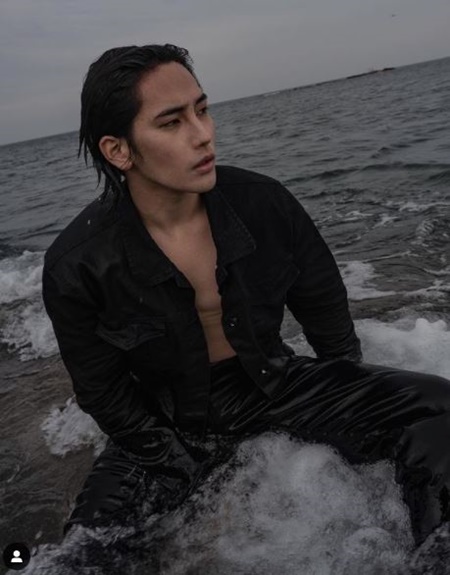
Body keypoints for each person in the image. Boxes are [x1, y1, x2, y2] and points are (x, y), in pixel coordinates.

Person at [43, 43, 450, 548]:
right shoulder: (75, 263)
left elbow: (322, 302)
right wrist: (175, 462)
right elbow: (102, 390)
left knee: (438, 410)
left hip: (271, 382)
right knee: (84, 549)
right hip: (163, 422)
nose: (203, 134)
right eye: (172, 122)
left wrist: (349, 397)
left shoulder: (264, 202)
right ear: (118, 150)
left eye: (202, 109)